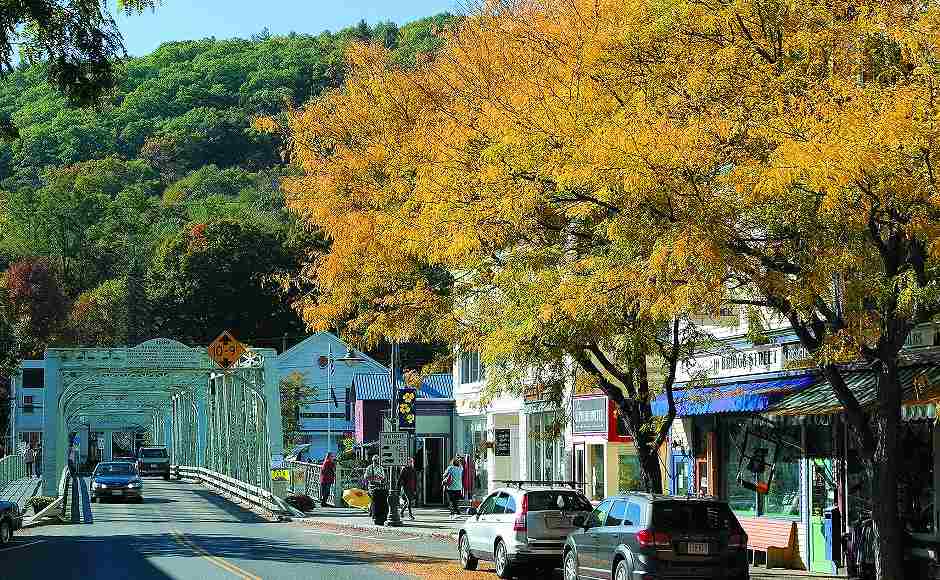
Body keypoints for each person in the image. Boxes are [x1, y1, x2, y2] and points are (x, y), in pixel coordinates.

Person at [363, 454, 389, 524]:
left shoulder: (380, 468)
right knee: (372, 499)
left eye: (377, 460)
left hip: (379, 486)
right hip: (371, 485)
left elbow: (383, 477)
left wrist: (380, 478)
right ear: (373, 461)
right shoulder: (369, 468)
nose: (376, 462)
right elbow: (365, 477)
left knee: (375, 500)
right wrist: (370, 480)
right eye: (375, 460)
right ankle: (372, 511)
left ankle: (371, 511)